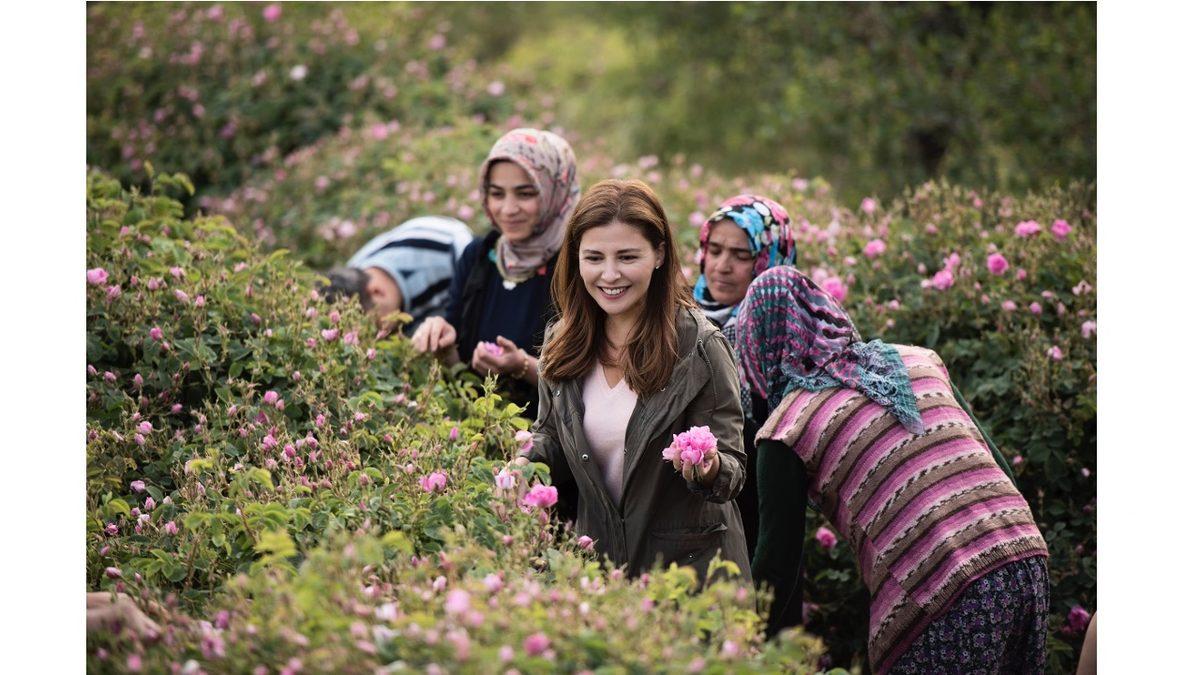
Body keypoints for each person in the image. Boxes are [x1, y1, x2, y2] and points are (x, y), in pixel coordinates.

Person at [737, 266, 1049, 674]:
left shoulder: (786, 428)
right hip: (1025, 556)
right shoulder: (918, 360)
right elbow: (999, 466)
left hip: (946, 586)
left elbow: (777, 566)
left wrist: (736, 647)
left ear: (755, 347)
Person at [517, 179, 750, 582]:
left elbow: (734, 470)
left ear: (659, 254)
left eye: (627, 257)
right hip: (601, 568)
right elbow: (551, 436)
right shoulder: (562, 342)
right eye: (593, 258)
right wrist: (524, 464)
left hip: (691, 578)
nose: (609, 275)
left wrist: (708, 467)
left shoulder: (699, 346)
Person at [411, 128, 579, 416]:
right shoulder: (479, 257)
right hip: (478, 434)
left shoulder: (577, 264)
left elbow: (589, 388)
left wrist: (523, 366)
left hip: (546, 446)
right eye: (496, 194)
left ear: (555, 191)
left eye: (526, 193)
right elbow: (459, 369)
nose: (508, 209)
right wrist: (443, 345)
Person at [693, 194, 796, 561]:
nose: (721, 266)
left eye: (741, 255)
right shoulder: (682, 319)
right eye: (715, 250)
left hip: (760, 507)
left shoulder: (787, 332)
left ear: (770, 259)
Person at [321, 215, 474, 335]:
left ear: (377, 292)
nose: (371, 339)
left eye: (374, 328)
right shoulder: (350, 279)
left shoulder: (450, 250)